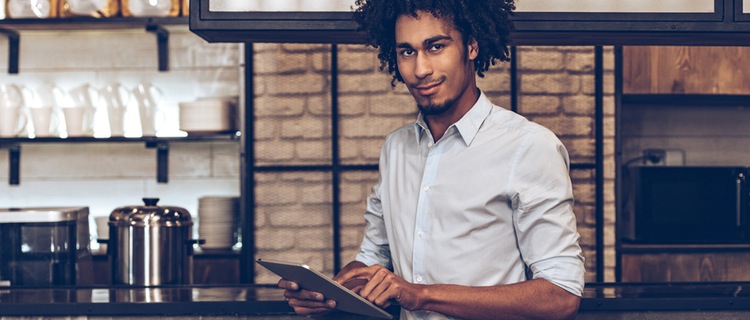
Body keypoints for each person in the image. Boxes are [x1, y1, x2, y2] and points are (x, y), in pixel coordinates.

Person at [279, 0, 585, 319]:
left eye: (436, 46)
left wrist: (420, 295)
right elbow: (372, 260)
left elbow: (560, 295)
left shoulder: (528, 146)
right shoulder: (396, 148)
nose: (421, 69)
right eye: (407, 52)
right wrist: (328, 292)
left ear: (471, 46)